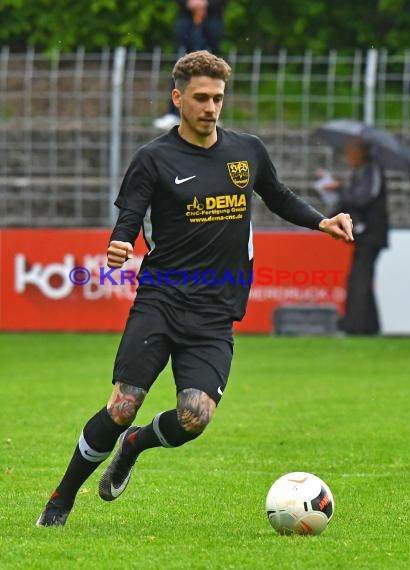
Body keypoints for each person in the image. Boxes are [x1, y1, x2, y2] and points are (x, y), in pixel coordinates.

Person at [36, 50, 354, 527]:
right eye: (201, 98)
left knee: (194, 417)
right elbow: (129, 217)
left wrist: (321, 221)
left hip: (214, 311)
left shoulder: (246, 151)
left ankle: (136, 445)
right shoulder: (154, 158)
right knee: (123, 405)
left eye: (218, 98)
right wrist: (120, 243)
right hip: (161, 301)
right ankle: (60, 500)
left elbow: (279, 195)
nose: (211, 107)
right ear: (178, 98)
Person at [317, 138, 388, 335]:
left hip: (371, 233)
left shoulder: (373, 170)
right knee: (362, 278)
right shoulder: (364, 171)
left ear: (360, 152)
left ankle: (354, 325)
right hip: (365, 233)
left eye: (350, 151)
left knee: (359, 279)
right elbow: (355, 196)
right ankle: (370, 326)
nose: (348, 157)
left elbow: (363, 197)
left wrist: (339, 189)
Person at [153, 0, 227, 130]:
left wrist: (207, 3)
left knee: (212, 66)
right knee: (180, 65)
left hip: (213, 18)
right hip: (185, 17)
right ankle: (174, 113)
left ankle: (211, 113)